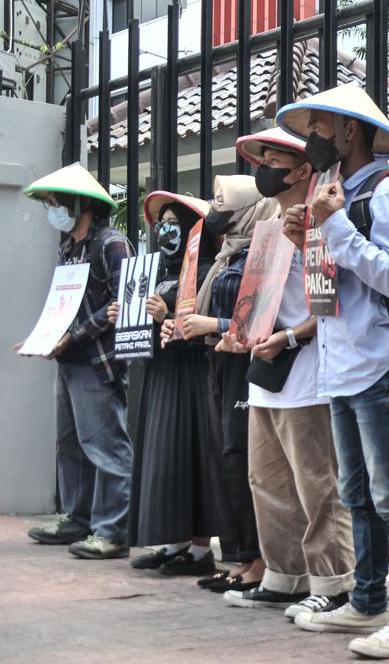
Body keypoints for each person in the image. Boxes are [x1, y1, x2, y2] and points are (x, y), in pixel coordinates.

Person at [277, 85, 389, 659]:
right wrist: (305, 241)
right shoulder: (334, 194)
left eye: (317, 128)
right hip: (341, 365)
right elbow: (331, 287)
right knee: (357, 495)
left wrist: (334, 226)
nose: (309, 139)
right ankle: (367, 601)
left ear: (347, 131)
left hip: (378, 365)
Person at [216, 127, 356, 615]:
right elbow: (258, 302)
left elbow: (331, 303)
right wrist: (241, 333)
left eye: (274, 159)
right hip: (266, 372)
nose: (263, 168)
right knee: (267, 480)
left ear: (302, 170)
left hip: (307, 370)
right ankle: (285, 575)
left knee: (318, 485)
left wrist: (291, 336)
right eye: (261, 159)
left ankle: (334, 581)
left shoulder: (319, 225)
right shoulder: (265, 228)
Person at [20, 163, 134, 559]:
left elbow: (122, 306)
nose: (53, 209)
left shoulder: (111, 243)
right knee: (69, 444)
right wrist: (46, 337)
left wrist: (73, 336)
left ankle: (113, 530)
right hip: (68, 359)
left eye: (56, 202)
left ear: (81, 203)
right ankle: (77, 518)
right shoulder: (70, 246)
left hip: (98, 361)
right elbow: (63, 304)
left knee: (104, 444)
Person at [178, 175, 280, 593]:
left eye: (226, 204)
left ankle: (258, 560)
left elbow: (263, 313)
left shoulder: (262, 251)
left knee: (242, 458)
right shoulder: (228, 254)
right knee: (226, 459)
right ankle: (239, 557)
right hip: (218, 361)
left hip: (246, 364)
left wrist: (213, 323)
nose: (217, 213)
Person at [123, 192, 229, 577]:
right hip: (161, 373)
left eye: (173, 222)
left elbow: (206, 320)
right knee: (163, 457)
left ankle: (199, 550)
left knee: (190, 456)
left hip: (192, 375)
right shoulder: (155, 270)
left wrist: (167, 314)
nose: (165, 228)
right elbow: (145, 327)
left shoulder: (204, 269)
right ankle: (174, 543)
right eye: (161, 222)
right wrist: (129, 315)